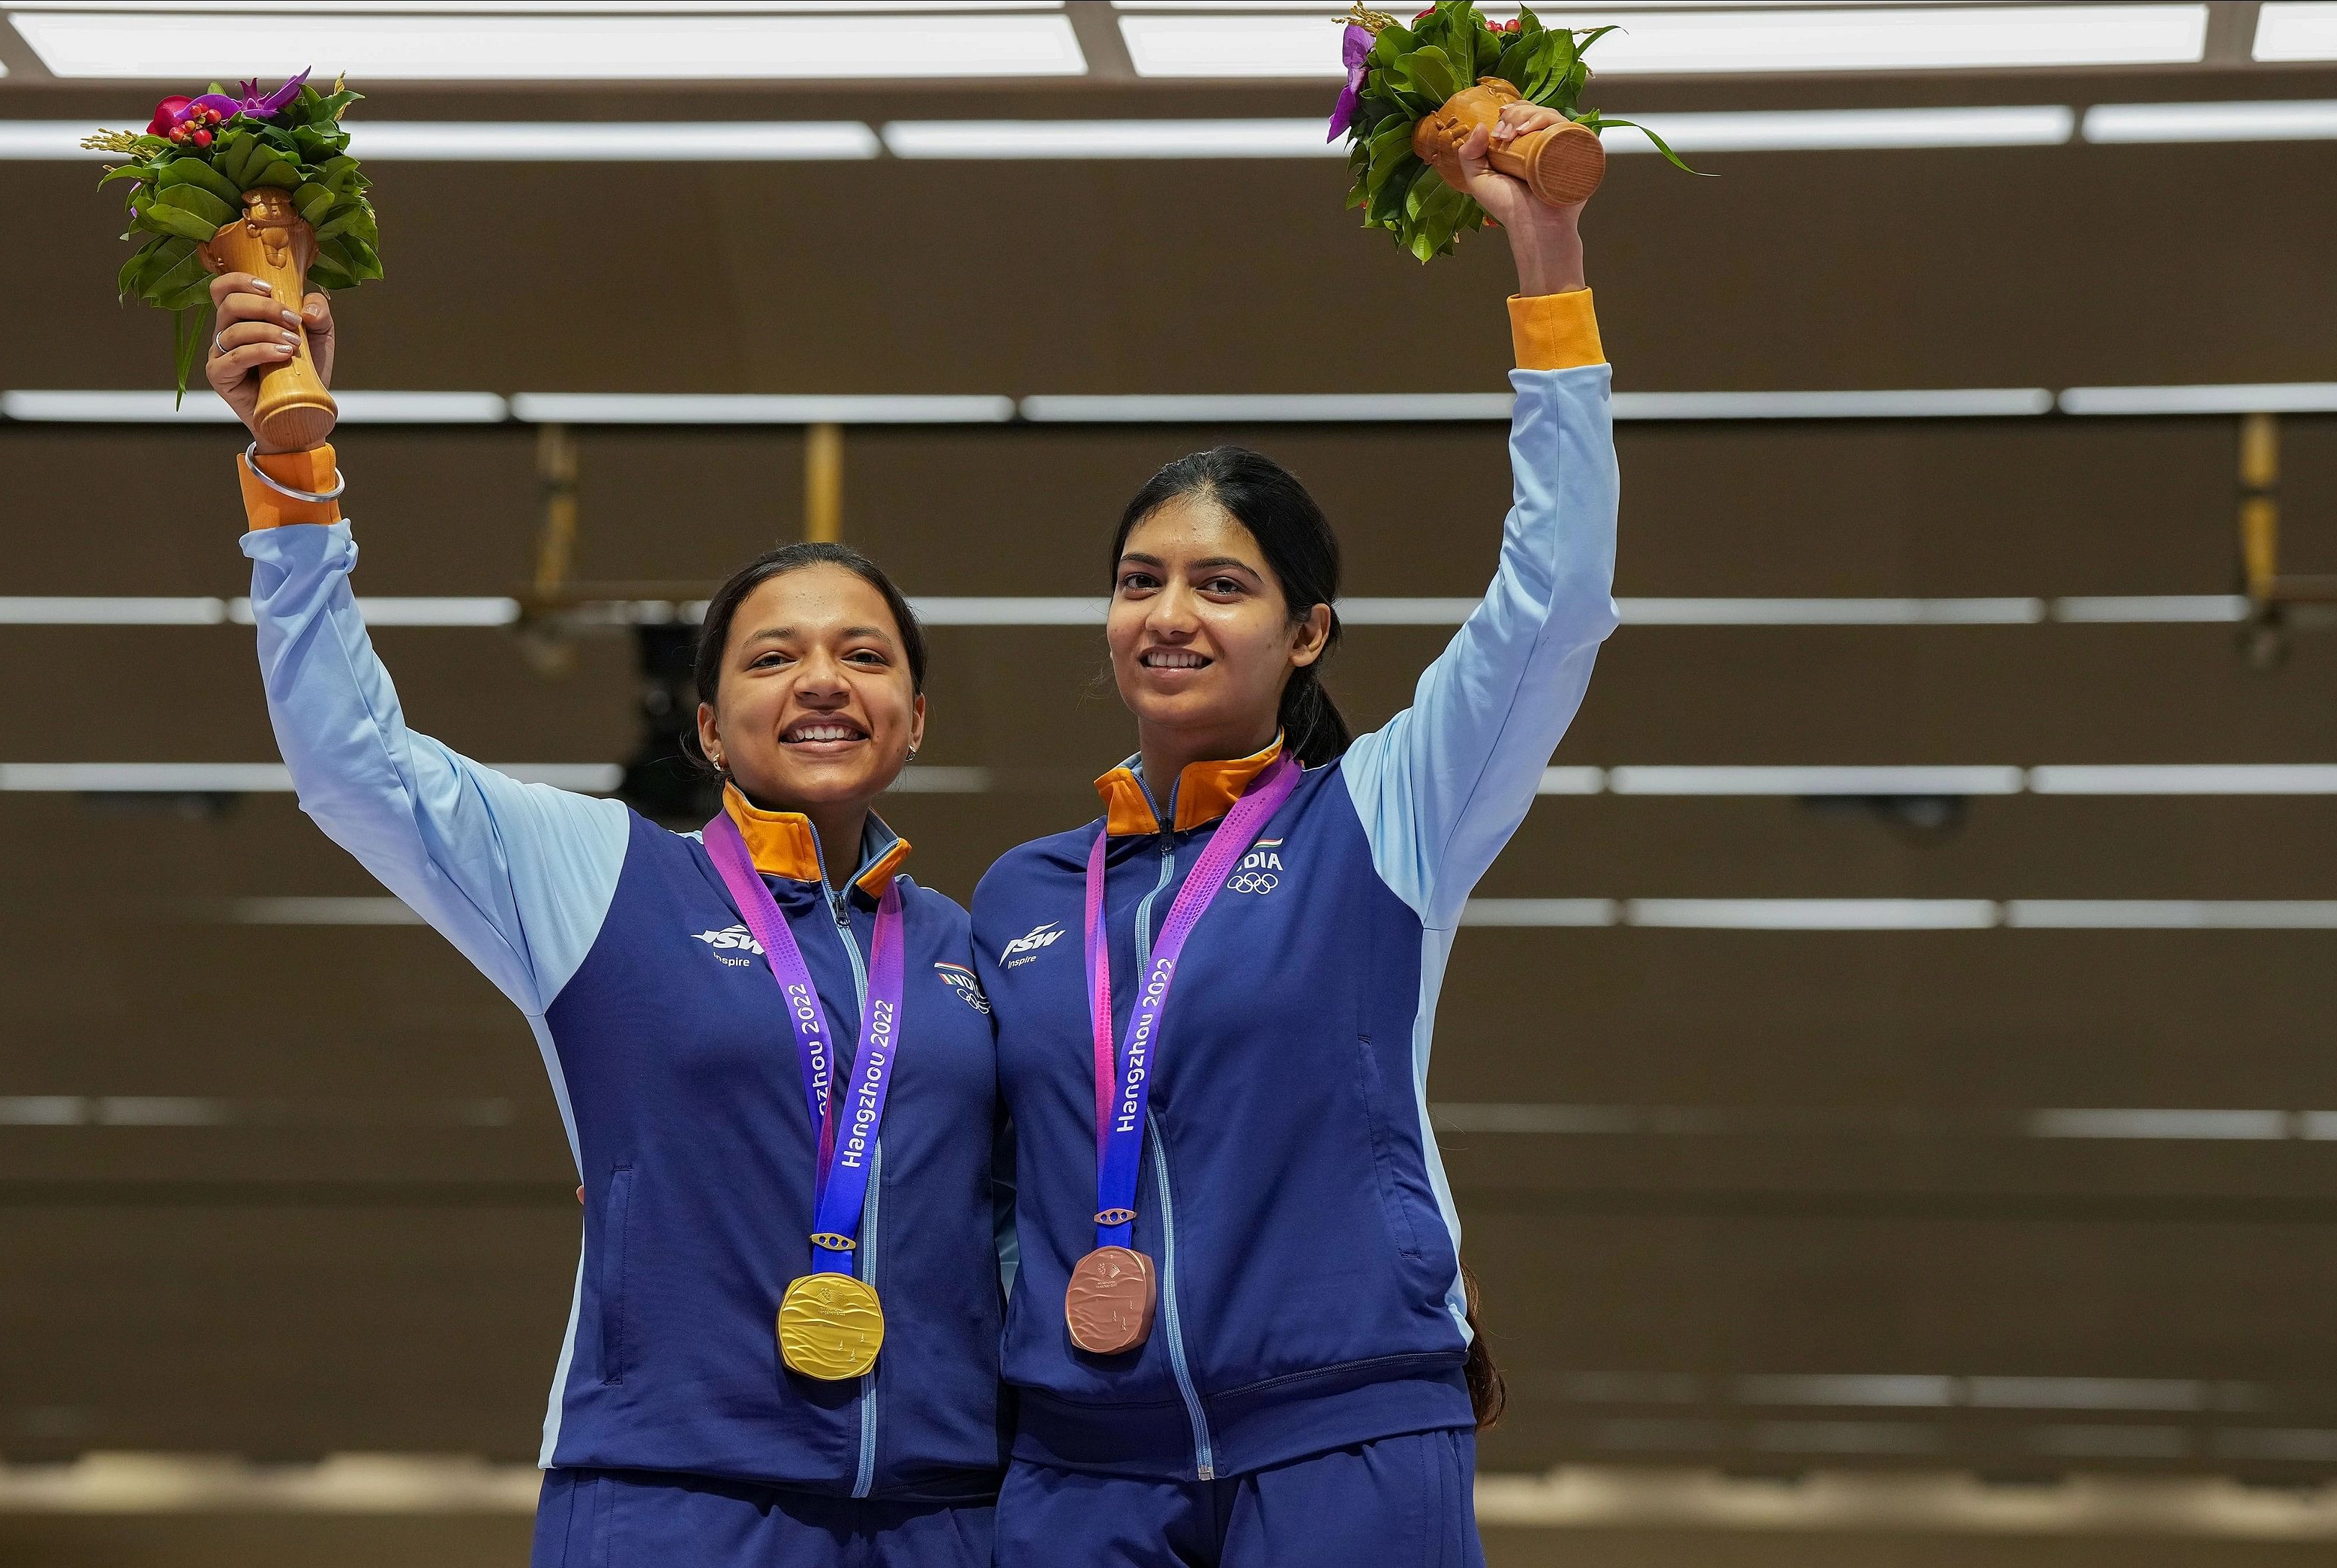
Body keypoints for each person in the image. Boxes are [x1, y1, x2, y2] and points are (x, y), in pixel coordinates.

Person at [207, 279, 1005, 1566]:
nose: (819, 680)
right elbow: (354, 761)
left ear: (916, 719)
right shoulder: (603, 876)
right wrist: (294, 474)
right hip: (670, 1496)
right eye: (769, 657)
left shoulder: (978, 951)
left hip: (948, 1513)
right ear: (705, 729)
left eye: (864, 656)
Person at [968, 102, 1617, 1564]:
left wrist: (1547, 257)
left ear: (1306, 631)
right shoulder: (1019, 896)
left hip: (1344, 1426)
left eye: (1221, 584)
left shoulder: (1382, 818)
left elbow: (1554, 603)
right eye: (1141, 581)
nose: (1170, 614)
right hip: (1079, 1460)